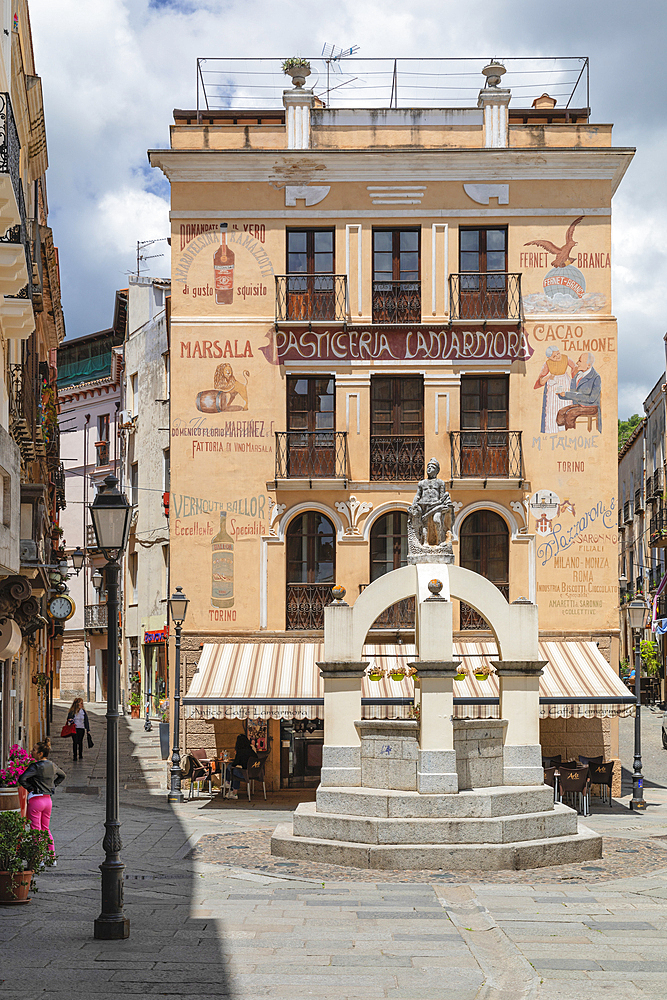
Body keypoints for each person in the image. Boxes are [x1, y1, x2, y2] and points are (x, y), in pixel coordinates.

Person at [18, 738, 66, 860]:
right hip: (47, 800)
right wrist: (53, 785)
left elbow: (22, 779)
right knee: (45, 829)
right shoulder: (52, 765)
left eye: (34, 750)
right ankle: (52, 857)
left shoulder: (35, 766)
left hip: (36, 800)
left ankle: (38, 858)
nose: (31, 751)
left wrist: (31, 788)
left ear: (40, 753)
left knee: (36, 830)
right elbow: (62, 775)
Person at [224, 733, 257, 800]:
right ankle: (232, 790)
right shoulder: (251, 751)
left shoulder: (240, 752)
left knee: (231, 768)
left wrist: (236, 755)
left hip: (245, 774)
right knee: (235, 770)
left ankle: (228, 783)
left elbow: (235, 763)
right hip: (254, 773)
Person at [66, 697, 90, 762]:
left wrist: (88, 729)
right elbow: (68, 719)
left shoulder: (83, 711)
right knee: (75, 742)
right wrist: (70, 720)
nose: (82, 705)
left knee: (80, 742)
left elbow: (86, 721)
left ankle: (80, 754)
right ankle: (75, 755)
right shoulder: (72, 712)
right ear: (77, 704)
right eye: (81, 703)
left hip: (81, 728)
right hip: (74, 728)